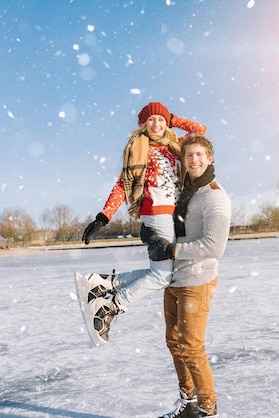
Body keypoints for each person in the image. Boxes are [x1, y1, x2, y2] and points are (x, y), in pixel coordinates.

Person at [80, 102, 206, 344]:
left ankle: (103, 283)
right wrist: (104, 216)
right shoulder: (140, 148)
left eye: (160, 120)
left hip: (173, 216)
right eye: (151, 120)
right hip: (156, 212)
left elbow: (200, 130)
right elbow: (123, 183)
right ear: (143, 124)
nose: (156, 125)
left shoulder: (175, 147)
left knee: (160, 273)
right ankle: (110, 306)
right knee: (163, 277)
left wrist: (173, 119)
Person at [147, 135, 231, 418]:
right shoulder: (186, 192)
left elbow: (214, 246)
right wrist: (153, 232)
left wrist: (172, 250)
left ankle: (209, 410)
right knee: (174, 342)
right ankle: (190, 403)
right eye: (189, 156)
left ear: (209, 159)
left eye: (199, 155)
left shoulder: (215, 195)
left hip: (197, 280)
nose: (194, 160)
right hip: (174, 279)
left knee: (191, 347)